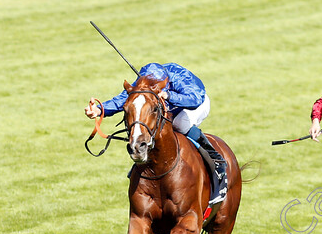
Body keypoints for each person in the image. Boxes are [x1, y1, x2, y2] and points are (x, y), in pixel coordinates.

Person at [84, 62, 228, 203]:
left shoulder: (179, 77)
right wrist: (99, 109)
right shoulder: (143, 82)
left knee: (179, 124)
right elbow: (124, 99)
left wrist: (170, 96)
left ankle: (216, 160)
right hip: (165, 108)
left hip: (196, 104)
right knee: (153, 129)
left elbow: (195, 99)